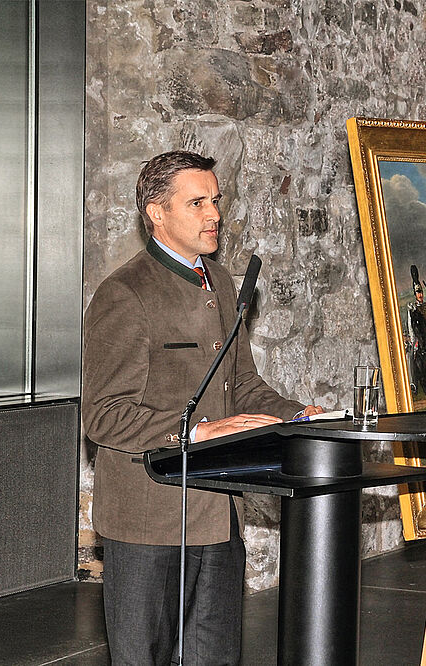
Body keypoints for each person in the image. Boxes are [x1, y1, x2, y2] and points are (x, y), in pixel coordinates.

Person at [82, 150, 322, 665]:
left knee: (216, 657)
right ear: (157, 213)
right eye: (197, 203)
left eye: (216, 200)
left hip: (217, 514)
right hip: (148, 518)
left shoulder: (224, 283)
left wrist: (299, 417)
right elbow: (103, 415)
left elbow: (243, 385)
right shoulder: (124, 294)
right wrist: (197, 431)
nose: (214, 214)